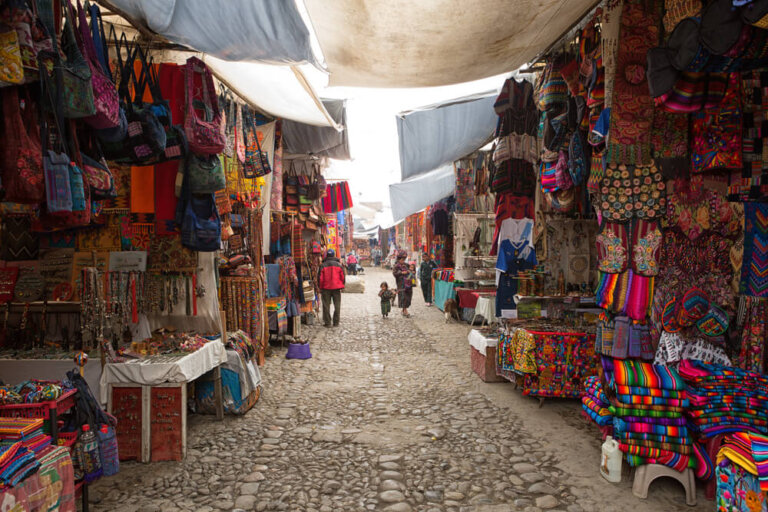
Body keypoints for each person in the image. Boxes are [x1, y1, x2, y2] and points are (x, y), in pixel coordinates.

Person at [318, 249, 345, 327]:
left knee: (326, 305)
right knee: (337, 305)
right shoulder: (339, 265)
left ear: (327, 255)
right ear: (334, 255)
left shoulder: (323, 265)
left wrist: (320, 287)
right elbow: (342, 277)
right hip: (337, 288)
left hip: (326, 288)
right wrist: (342, 285)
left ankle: (328, 322)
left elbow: (320, 278)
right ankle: (336, 322)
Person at [392, 251, 413, 318]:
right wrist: (401, 273)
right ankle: (405, 310)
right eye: (402, 259)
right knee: (403, 297)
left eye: (404, 259)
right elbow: (394, 274)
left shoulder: (406, 265)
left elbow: (411, 270)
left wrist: (410, 271)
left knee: (408, 296)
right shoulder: (396, 266)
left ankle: (404, 310)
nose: (403, 261)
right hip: (401, 284)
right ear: (399, 259)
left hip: (408, 283)